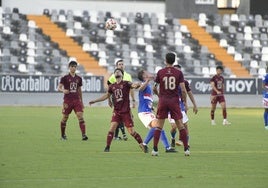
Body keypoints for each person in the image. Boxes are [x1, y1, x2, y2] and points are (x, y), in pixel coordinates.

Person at [89, 68, 146, 152]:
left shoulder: (126, 83)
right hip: (117, 111)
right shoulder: (112, 86)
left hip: (126, 112)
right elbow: (106, 96)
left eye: (118, 71)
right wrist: (94, 101)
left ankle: (142, 144)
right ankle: (107, 147)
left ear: (122, 75)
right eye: (115, 72)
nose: (116, 72)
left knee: (131, 132)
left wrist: (137, 84)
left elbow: (133, 85)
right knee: (111, 128)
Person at [152, 52, 189, 156]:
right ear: (174, 61)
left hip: (163, 100)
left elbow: (154, 87)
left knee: (159, 126)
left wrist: (159, 95)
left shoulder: (160, 72)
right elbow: (183, 90)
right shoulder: (178, 73)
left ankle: (155, 149)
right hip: (174, 101)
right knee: (180, 125)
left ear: (165, 60)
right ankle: (186, 149)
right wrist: (185, 102)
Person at [137, 69, 177, 153]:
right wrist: (148, 80)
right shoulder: (142, 84)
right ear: (144, 76)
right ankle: (144, 144)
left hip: (148, 111)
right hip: (144, 112)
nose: (148, 73)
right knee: (158, 126)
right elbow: (140, 89)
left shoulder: (148, 87)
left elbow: (147, 101)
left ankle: (167, 148)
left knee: (159, 128)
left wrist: (154, 109)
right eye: (146, 73)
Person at [57, 59, 88, 141]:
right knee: (65, 118)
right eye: (72, 66)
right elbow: (58, 88)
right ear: (69, 67)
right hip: (67, 101)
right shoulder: (65, 78)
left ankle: (84, 135)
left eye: (75, 67)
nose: (73, 68)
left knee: (80, 116)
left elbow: (79, 90)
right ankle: (63, 135)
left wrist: (81, 101)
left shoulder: (79, 78)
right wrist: (63, 90)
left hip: (76, 100)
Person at [169, 64, 198, 148]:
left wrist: (194, 105)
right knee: (174, 127)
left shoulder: (184, 82)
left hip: (181, 106)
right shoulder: (168, 81)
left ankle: (186, 143)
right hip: (170, 106)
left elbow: (189, 93)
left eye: (178, 70)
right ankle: (173, 138)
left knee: (184, 125)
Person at [107, 59, 136, 141]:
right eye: (119, 64)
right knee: (119, 115)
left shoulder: (128, 76)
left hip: (126, 99)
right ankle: (122, 134)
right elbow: (109, 89)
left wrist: (133, 100)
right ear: (117, 66)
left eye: (122, 64)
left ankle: (116, 135)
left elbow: (132, 88)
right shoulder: (114, 76)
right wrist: (109, 100)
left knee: (121, 117)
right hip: (116, 99)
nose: (121, 65)